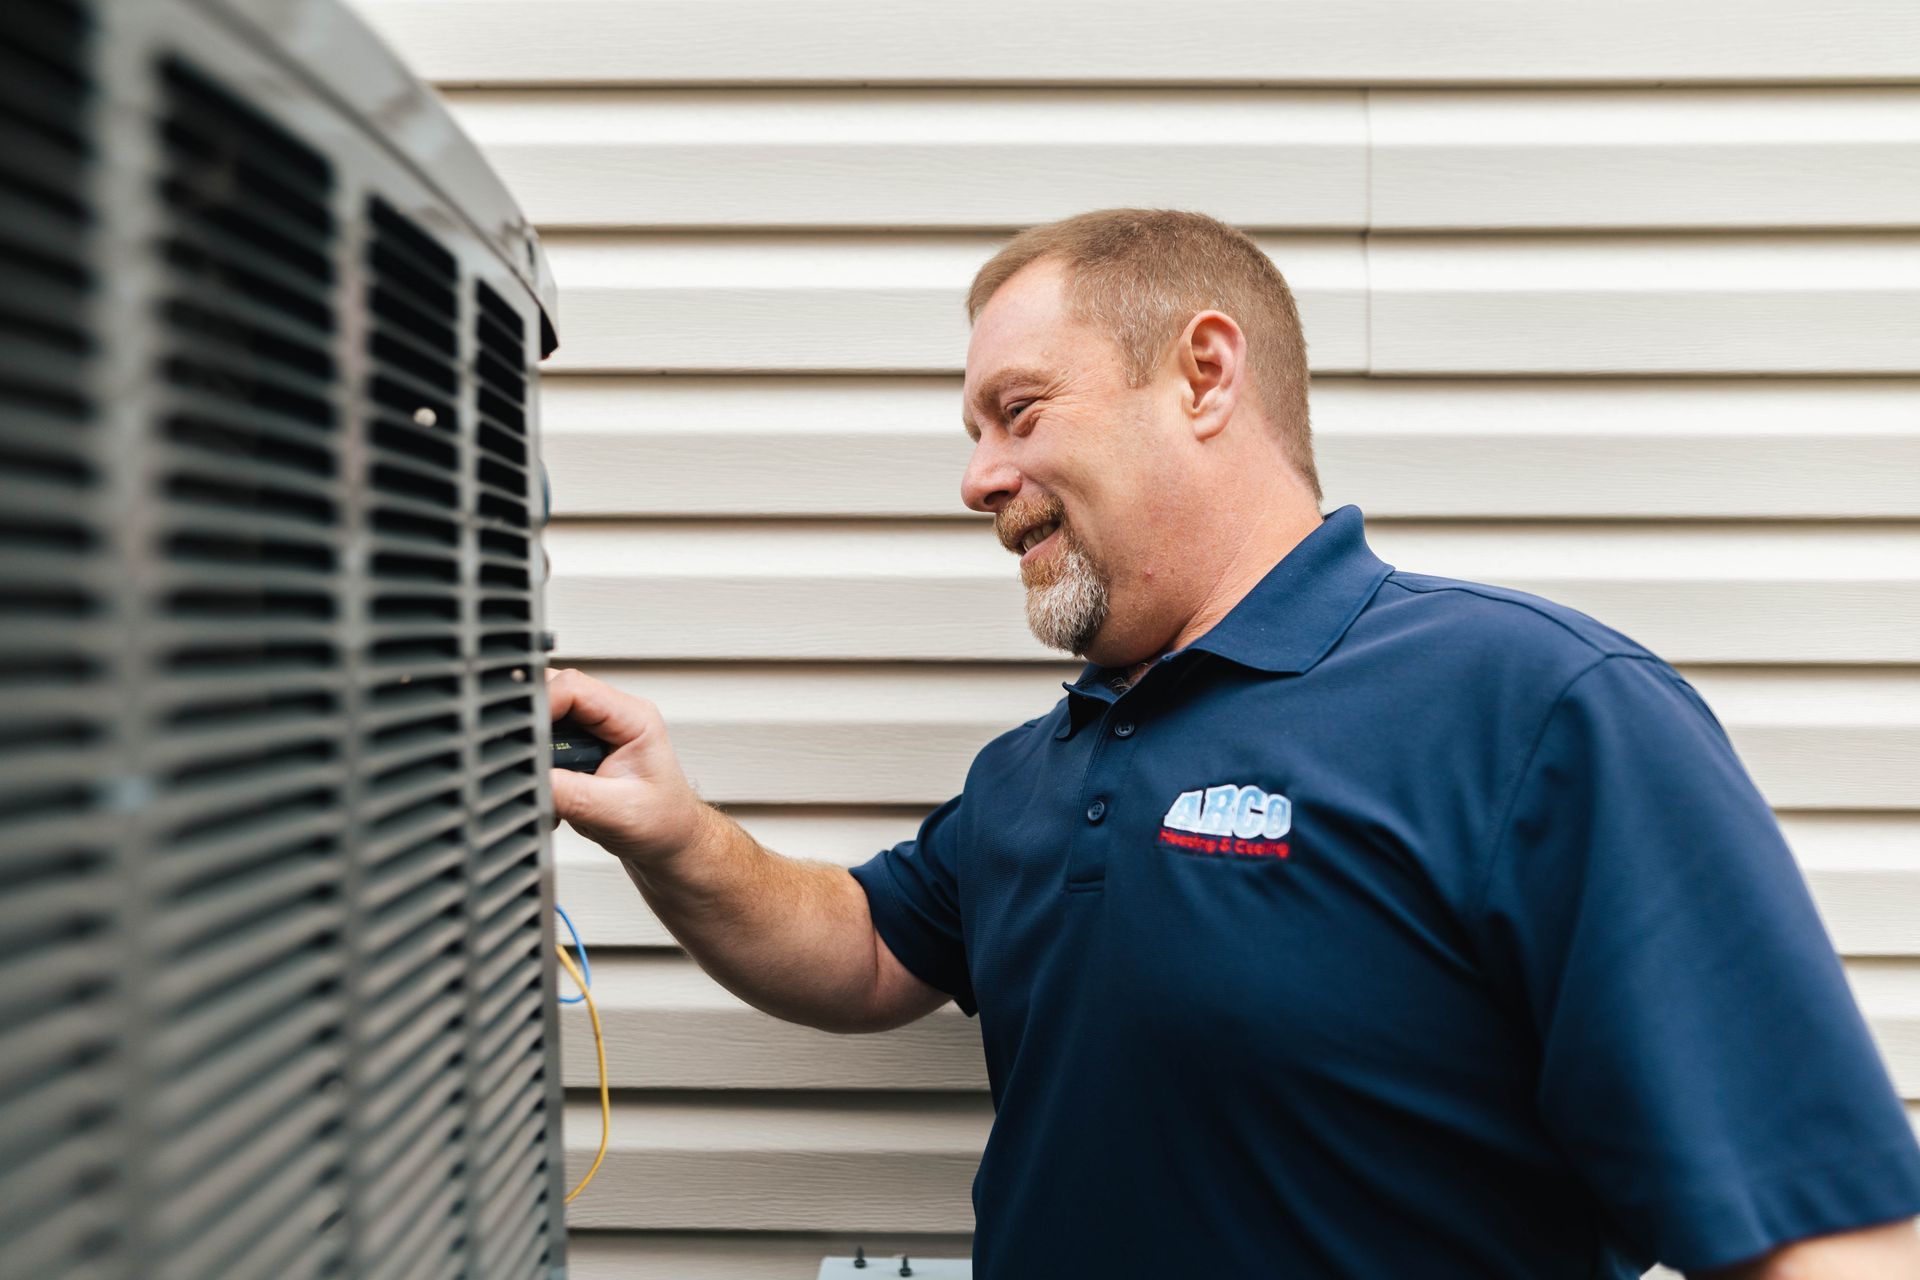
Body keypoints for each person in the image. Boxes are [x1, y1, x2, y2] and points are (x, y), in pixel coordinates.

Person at [546, 209, 1920, 1278]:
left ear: (1204, 375)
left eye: (1020, 411)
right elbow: (860, 949)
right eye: (973, 432)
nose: (976, 479)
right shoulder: (1038, 768)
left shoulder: (1534, 709)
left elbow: (1824, 1238)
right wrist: (676, 834)